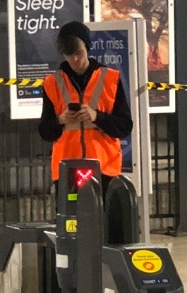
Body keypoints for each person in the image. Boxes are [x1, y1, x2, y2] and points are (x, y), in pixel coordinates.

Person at [38, 21, 133, 186]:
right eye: (69, 54)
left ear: (87, 48)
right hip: (67, 171)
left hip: (105, 170)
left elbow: (125, 126)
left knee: (101, 204)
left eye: (79, 53)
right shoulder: (52, 83)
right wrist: (60, 120)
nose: (75, 59)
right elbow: (44, 131)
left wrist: (97, 117)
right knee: (72, 204)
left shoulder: (110, 79)